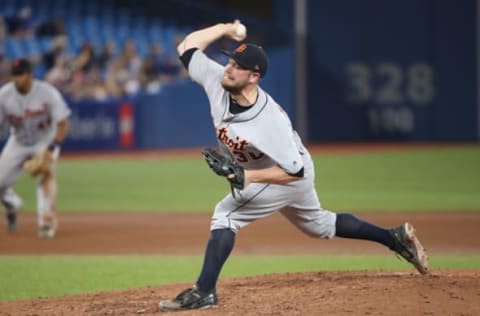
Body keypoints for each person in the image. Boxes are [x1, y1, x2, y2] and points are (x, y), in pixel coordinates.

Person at [159, 21, 428, 311]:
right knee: (319, 225)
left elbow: (294, 171)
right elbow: (187, 47)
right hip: (287, 166)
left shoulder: (268, 123)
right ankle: (394, 238)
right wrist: (226, 28)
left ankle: (204, 292)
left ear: (254, 76)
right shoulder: (216, 79)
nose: (228, 68)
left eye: (237, 65)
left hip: (285, 174)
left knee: (226, 215)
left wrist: (248, 177)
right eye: (230, 61)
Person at [0, 58, 71, 238]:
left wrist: (51, 148)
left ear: (30, 75)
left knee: (47, 174)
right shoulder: (4, 96)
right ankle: (13, 205)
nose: (16, 79)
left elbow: (63, 124)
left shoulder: (47, 93)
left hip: (45, 140)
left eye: (20, 75)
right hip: (18, 142)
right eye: (14, 75)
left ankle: (46, 223)